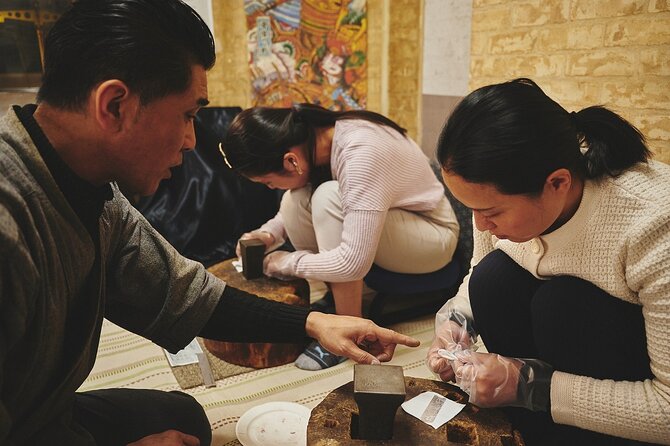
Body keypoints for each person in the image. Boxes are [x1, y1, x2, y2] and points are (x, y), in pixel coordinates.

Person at [0, 1, 421, 445]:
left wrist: (314, 324)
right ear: (115, 105)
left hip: (41, 407)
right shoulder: (10, 223)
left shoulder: (99, 195)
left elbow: (184, 295)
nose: (191, 141)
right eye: (188, 115)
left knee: (183, 418)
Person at [426, 78, 670, 445]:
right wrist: (458, 322)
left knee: (562, 306)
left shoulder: (651, 224)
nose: (480, 225)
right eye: (470, 209)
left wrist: (531, 387)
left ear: (557, 183)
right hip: (573, 365)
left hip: (645, 398)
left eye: (490, 211)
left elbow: (666, 410)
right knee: (492, 280)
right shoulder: (503, 203)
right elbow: (481, 267)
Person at [221, 103, 459, 370]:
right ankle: (339, 303)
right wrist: (267, 234)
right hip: (399, 226)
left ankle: (351, 329)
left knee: (326, 197)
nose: (271, 187)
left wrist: (282, 263)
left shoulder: (360, 150)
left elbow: (351, 263)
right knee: (295, 199)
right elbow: (297, 205)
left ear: (291, 161)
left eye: (268, 182)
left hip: (434, 235)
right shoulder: (320, 137)